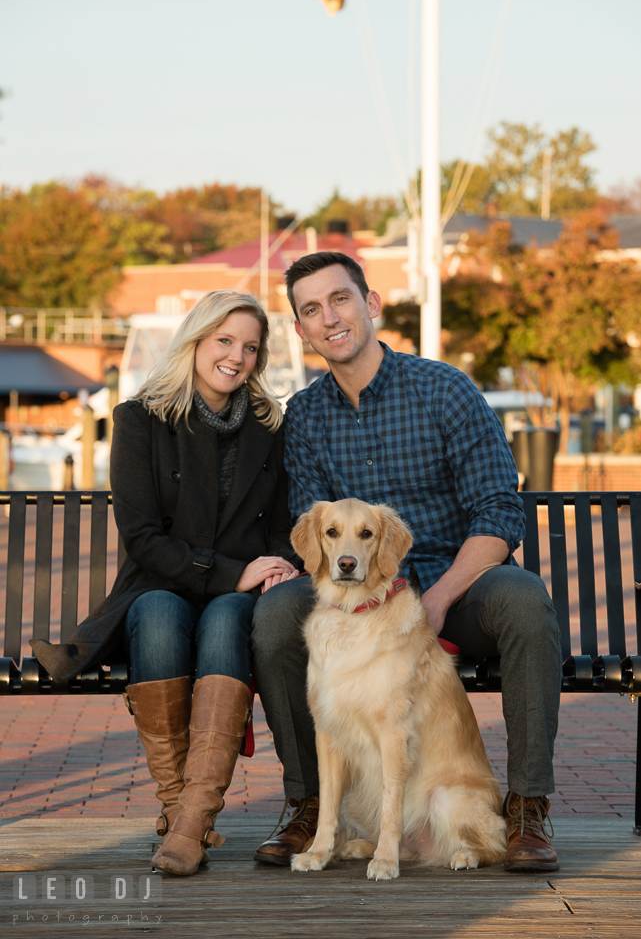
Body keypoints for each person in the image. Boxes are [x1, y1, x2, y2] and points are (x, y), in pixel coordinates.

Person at [251, 252, 562, 873]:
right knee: (277, 615)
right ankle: (312, 805)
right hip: (363, 603)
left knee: (524, 599)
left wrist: (440, 597)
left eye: (340, 299)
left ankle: (526, 806)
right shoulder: (305, 417)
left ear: (371, 305)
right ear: (301, 332)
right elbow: (315, 535)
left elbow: (500, 513)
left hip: (459, 587)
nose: (328, 317)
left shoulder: (444, 389)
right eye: (311, 309)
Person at [31, 291, 300, 877]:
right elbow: (143, 537)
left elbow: (282, 528)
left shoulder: (270, 428)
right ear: (197, 340)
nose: (236, 357)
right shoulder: (141, 419)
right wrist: (233, 570)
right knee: (156, 611)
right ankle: (184, 814)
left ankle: (187, 821)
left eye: (250, 347)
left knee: (229, 618)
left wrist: (274, 566)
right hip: (160, 584)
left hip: (234, 597)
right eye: (224, 340)